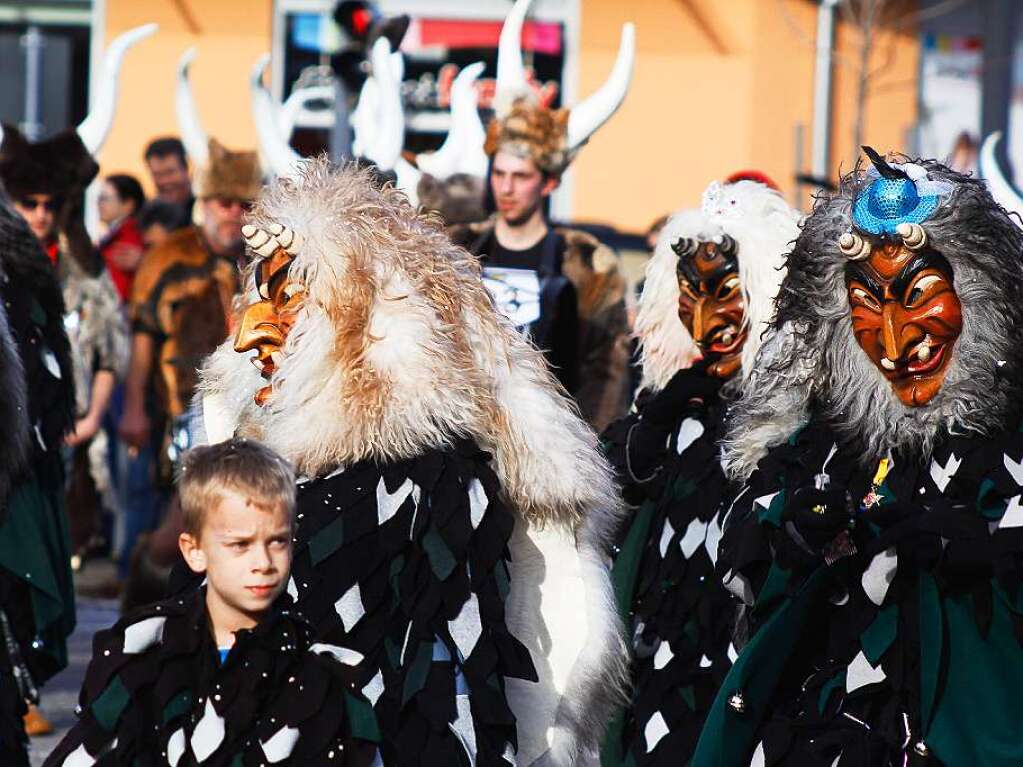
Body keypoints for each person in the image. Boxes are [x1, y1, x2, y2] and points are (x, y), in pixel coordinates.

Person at [199, 159, 627, 765]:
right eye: (259, 296)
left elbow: (451, 684)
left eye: (287, 299)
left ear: (350, 322)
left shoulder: (433, 484)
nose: (249, 336)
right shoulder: (250, 455)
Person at [692, 150, 1023, 766]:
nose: (895, 343)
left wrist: (985, 548)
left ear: (977, 296)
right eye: (868, 306)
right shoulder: (827, 434)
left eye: (919, 295)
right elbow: (740, 559)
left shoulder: (1013, 430)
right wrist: (791, 524)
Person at [600, 180, 800, 765]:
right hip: (652, 664)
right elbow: (609, 495)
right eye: (692, 295)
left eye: (728, 292)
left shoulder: (803, 427)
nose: (709, 319)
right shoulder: (673, 410)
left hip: (737, 676)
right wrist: (657, 420)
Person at [44, 438, 381, 766]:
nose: (262, 562)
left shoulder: (322, 671)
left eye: (277, 542)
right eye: (240, 545)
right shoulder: (146, 653)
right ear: (194, 551)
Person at [449, 0, 634, 432]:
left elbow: (605, 374)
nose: (506, 187)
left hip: (551, 443)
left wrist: (586, 451)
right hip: (466, 438)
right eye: (499, 172)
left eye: (521, 176)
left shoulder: (588, 263)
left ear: (548, 183)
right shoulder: (455, 247)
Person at [117, 138, 258, 603]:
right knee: (179, 525)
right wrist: (134, 408)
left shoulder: (263, 262)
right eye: (225, 202)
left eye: (244, 204)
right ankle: (144, 604)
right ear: (206, 202)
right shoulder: (169, 257)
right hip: (178, 412)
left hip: (249, 416)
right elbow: (143, 339)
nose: (233, 213)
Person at [0, 195, 76, 764]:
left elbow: (50, 369)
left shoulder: (25, 273)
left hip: (19, 475)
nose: (41, 213)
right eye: (32, 201)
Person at [97, 173, 146, 302]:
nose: (99, 204)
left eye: (105, 198)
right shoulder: (114, 236)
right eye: (99, 198)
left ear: (128, 204)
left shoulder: (128, 239)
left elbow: (119, 289)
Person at [143, 136, 193, 217]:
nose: (165, 181)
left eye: (170, 172)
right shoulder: (148, 214)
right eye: (158, 175)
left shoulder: (207, 206)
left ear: (186, 168)